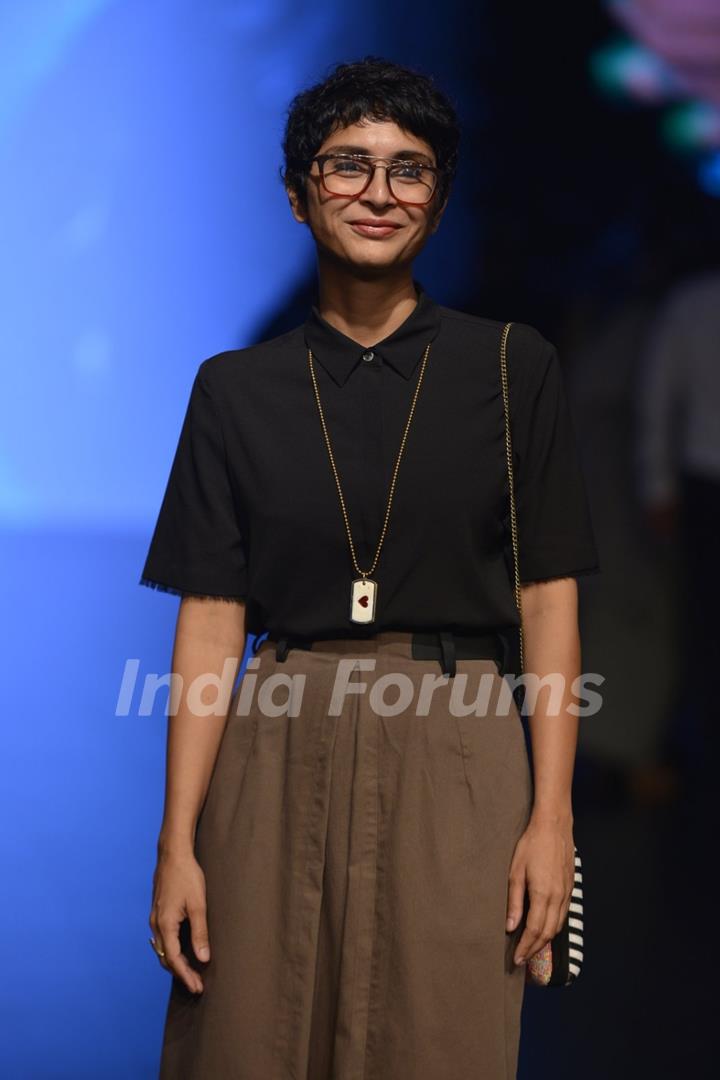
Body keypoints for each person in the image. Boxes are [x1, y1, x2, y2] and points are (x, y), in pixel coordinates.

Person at [141, 56, 600, 1080]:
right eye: (347, 165)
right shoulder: (236, 391)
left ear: (439, 201)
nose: (379, 193)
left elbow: (549, 600)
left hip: (462, 734)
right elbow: (213, 618)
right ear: (299, 194)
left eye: (411, 169)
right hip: (278, 730)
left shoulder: (510, 367)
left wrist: (552, 821)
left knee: (441, 1039)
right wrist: (177, 841)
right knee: (246, 1038)